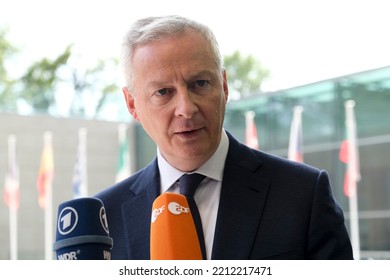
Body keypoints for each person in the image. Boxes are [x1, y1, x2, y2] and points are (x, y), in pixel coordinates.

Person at [95, 15, 353, 260]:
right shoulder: (103, 217)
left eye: (200, 83)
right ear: (132, 105)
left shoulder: (303, 194)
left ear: (224, 85)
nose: (187, 108)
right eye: (163, 92)